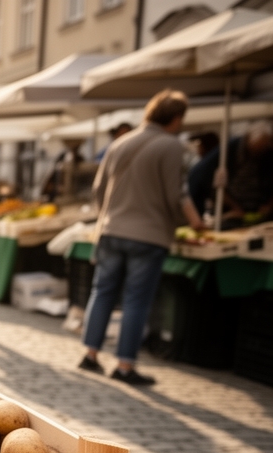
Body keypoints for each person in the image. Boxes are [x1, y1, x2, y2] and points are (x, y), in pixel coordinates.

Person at [79, 89, 206, 386]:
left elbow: (98, 189)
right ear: (176, 118)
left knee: (103, 291)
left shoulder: (120, 143)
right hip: (148, 236)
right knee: (137, 300)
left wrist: (108, 216)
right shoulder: (172, 147)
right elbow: (177, 195)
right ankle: (124, 366)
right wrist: (192, 222)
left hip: (111, 229)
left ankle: (91, 354)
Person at [187, 122, 273, 227]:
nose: (256, 153)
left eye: (260, 150)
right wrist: (234, 208)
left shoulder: (267, 154)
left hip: (258, 213)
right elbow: (204, 179)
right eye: (254, 149)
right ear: (247, 141)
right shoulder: (229, 151)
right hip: (232, 213)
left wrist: (269, 205)